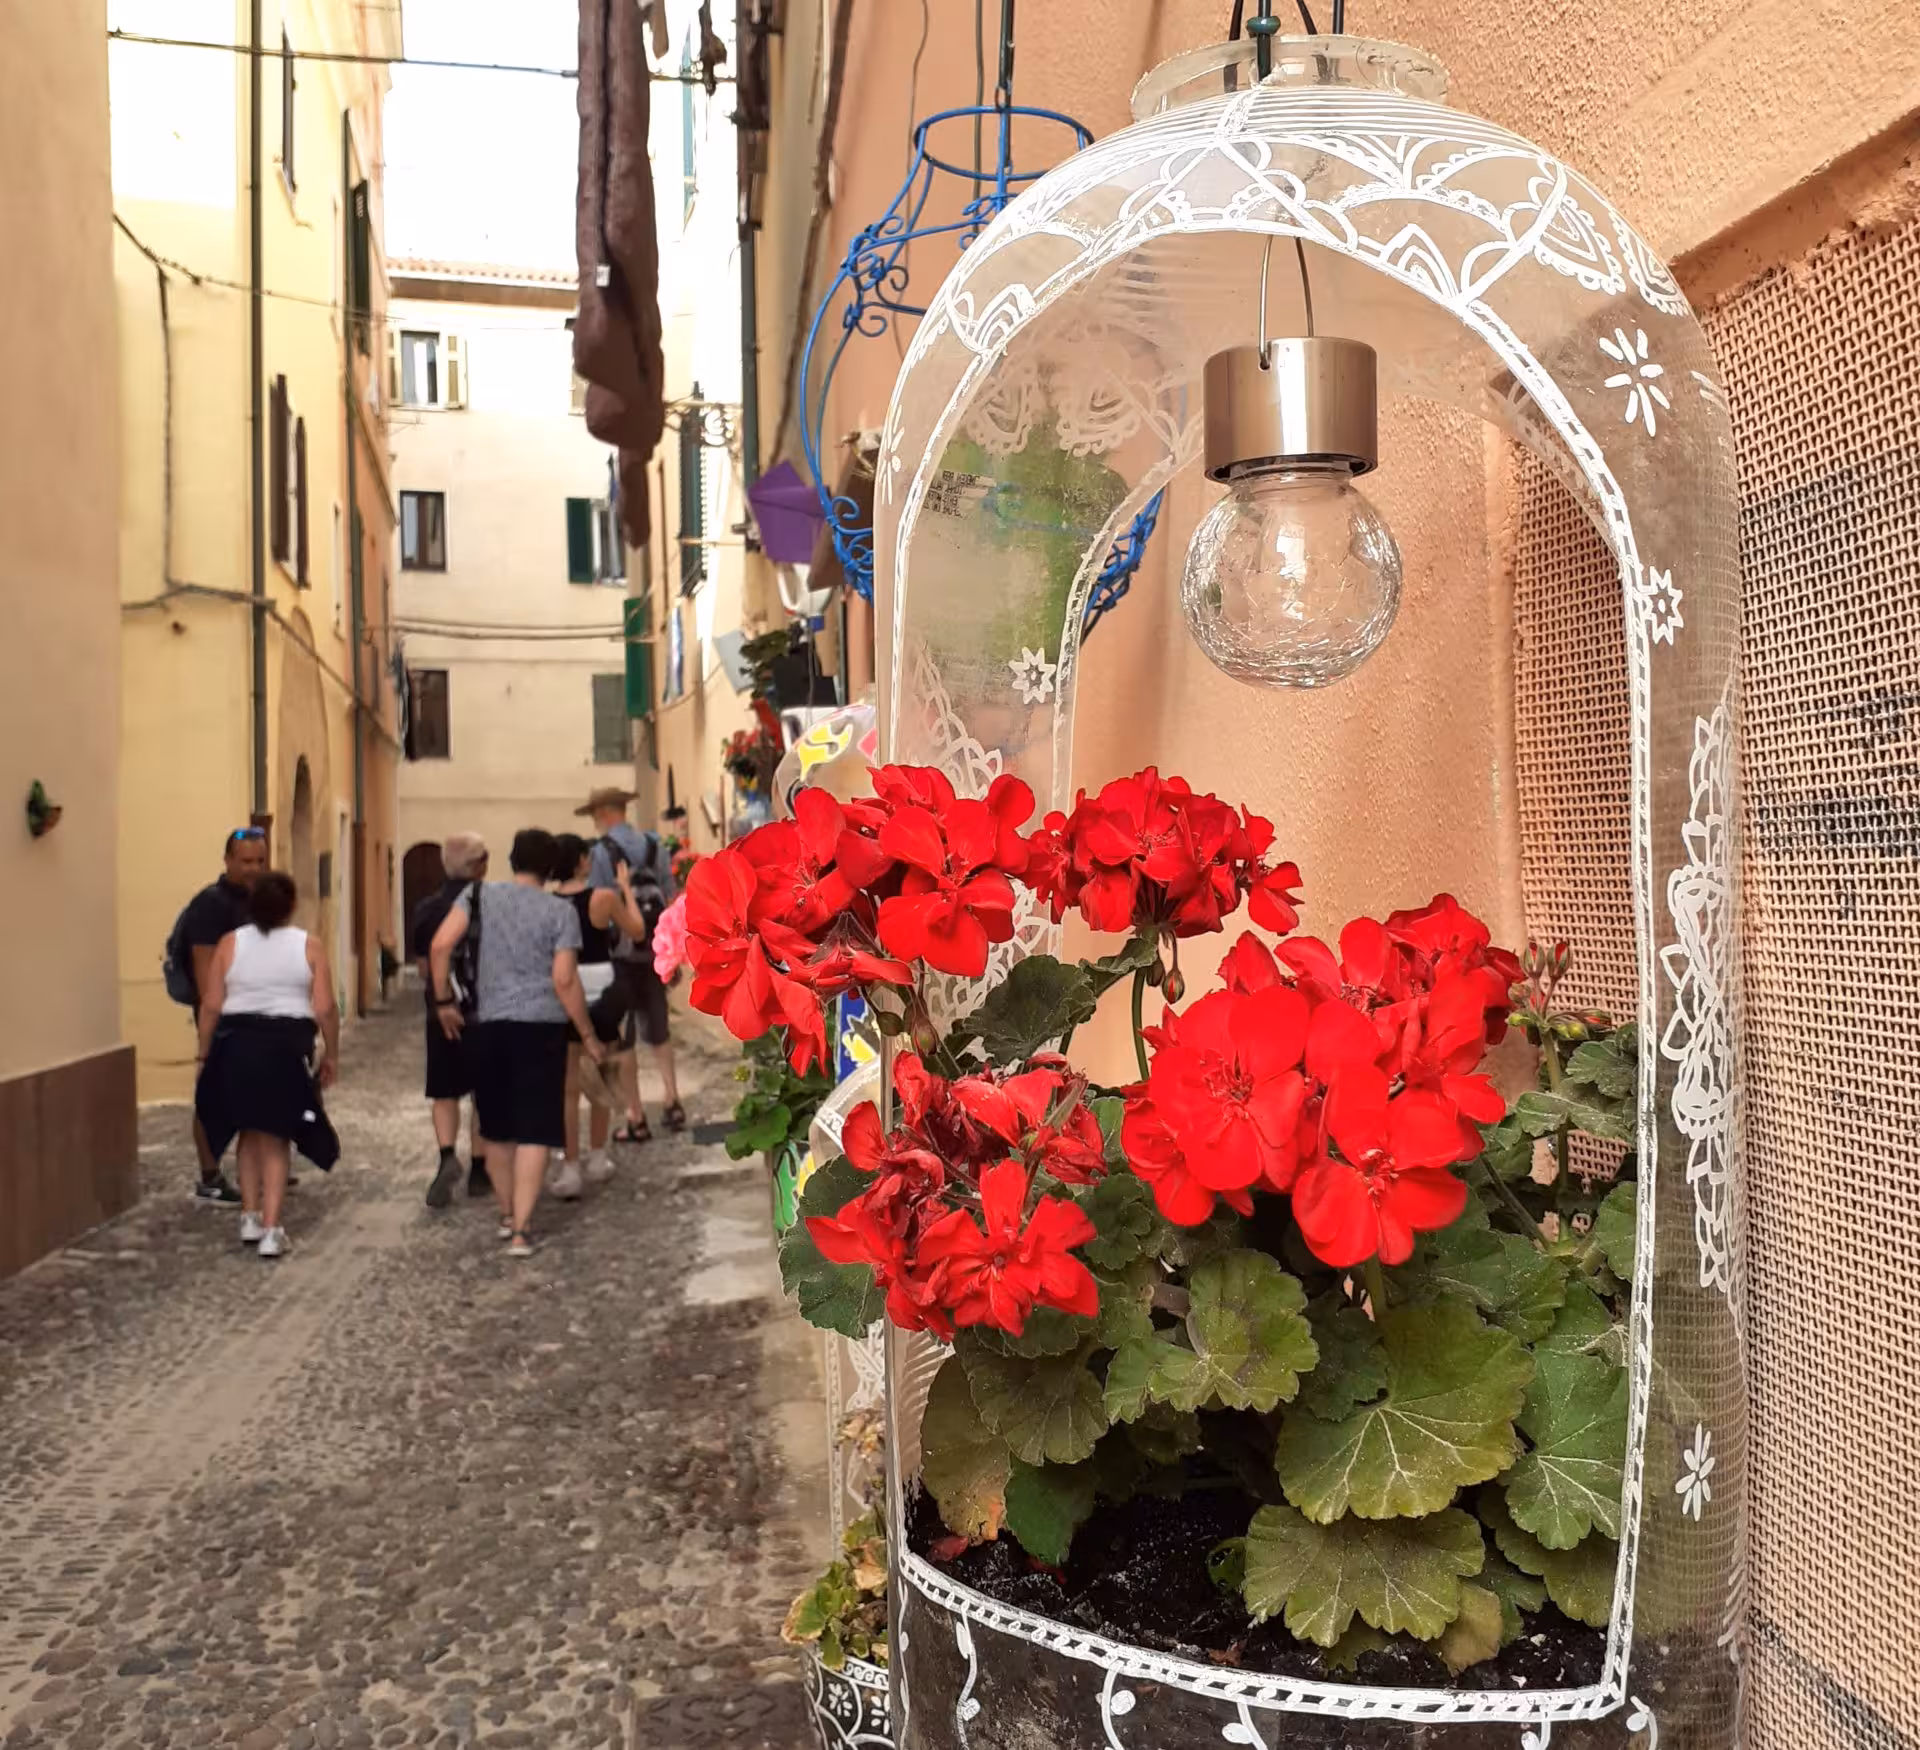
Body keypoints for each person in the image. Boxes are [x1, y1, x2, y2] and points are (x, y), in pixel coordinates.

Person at [428, 828, 608, 1259]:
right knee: (535, 1129)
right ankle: (522, 1231)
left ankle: (507, 1213)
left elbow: (439, 946)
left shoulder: (476, 896)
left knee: (495, 1129)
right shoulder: (560, 912)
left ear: (511, 860)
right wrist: (587, 1033)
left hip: (487, 1025)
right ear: (551, 868)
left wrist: (444, 1002)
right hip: (541, 1029)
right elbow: (564, 979)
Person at [194, 871, 340, 1259]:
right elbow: (325, 1007)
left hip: (236, 1047)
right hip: (285, 1049)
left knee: (247, 1132)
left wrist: (204, 1054)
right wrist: (332, 1052)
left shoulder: (230, 943)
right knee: (275, 1138)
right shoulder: (308, 945)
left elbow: (211, 1005)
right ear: (291, 906)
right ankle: (272, 1230)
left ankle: (249, 1216)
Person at [576, 786, 684, 1141]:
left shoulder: (600, 853)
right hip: (654, 954)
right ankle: (672, 1099)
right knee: (659, 1030)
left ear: (604, 814)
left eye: (596, 816)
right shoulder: (655, 844)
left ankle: (636, 1115)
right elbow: (670, 896)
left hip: (620, 956)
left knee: (625, 1040)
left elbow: (600, 906)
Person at [174, 828, 270, 1205]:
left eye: (260, 861)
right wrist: (212, 1025)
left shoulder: (259, 902)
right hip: (224, 1016)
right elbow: (205, 971)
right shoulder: (210, 906)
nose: (253, 868)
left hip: (257, 1014)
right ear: (228, 860)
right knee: (212, 1096)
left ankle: (258, 1167)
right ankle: (210, 1175)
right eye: (246, 861)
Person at [410, 832, 490, 1208]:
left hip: (441, 1008)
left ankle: (446, 1156)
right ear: (479, 866)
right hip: (484, 1007)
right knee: (483, 1090)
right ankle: (480, 1169)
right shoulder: (490, 904)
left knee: (443, 1089)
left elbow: (424, 966)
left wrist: (442, 995)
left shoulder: (428, 908)